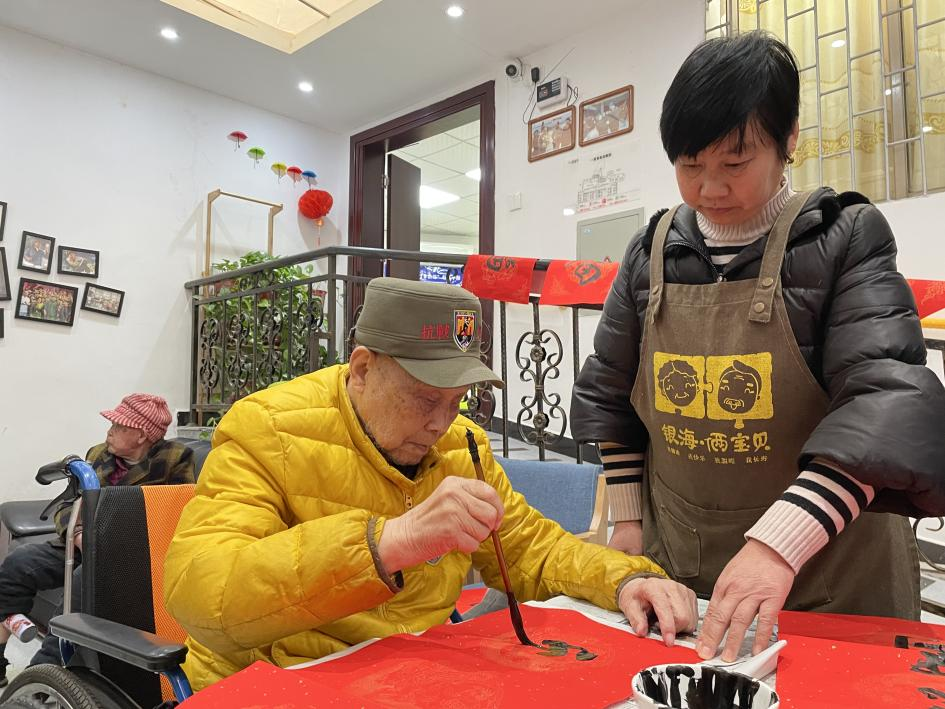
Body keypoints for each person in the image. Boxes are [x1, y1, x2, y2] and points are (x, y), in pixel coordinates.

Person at [571, 30, 945, 665]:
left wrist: (777, 545)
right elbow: (612, 397)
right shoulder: (649, 252)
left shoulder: (845, 237)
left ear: (788, 138)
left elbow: (884, 405)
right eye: (690, 165)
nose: (710, 188)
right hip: (682, 566)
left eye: (735, 163)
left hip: (830, 571)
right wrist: (627, 521)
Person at [164, 278, 698, 691]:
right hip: (274, 679)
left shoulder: (463, 445)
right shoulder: (267, 429)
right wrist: (387, 544)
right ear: (362, 368)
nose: (442, 423)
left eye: (458, 400)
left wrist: (626, 579)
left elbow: (531, 550)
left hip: (406, 676)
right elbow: (202, 595)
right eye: (425, 399)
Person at [0, 394, 195, 685]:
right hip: (81, 543)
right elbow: (68, 503)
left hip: (128, 555)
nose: (110, 431)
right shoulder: (97, 454)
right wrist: (77, 534)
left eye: (119, 426)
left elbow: (176, 514)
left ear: (142, 434)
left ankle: (39, 678)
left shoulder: (174, 459)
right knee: (19, 563)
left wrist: (106, 539)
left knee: (83, 581)